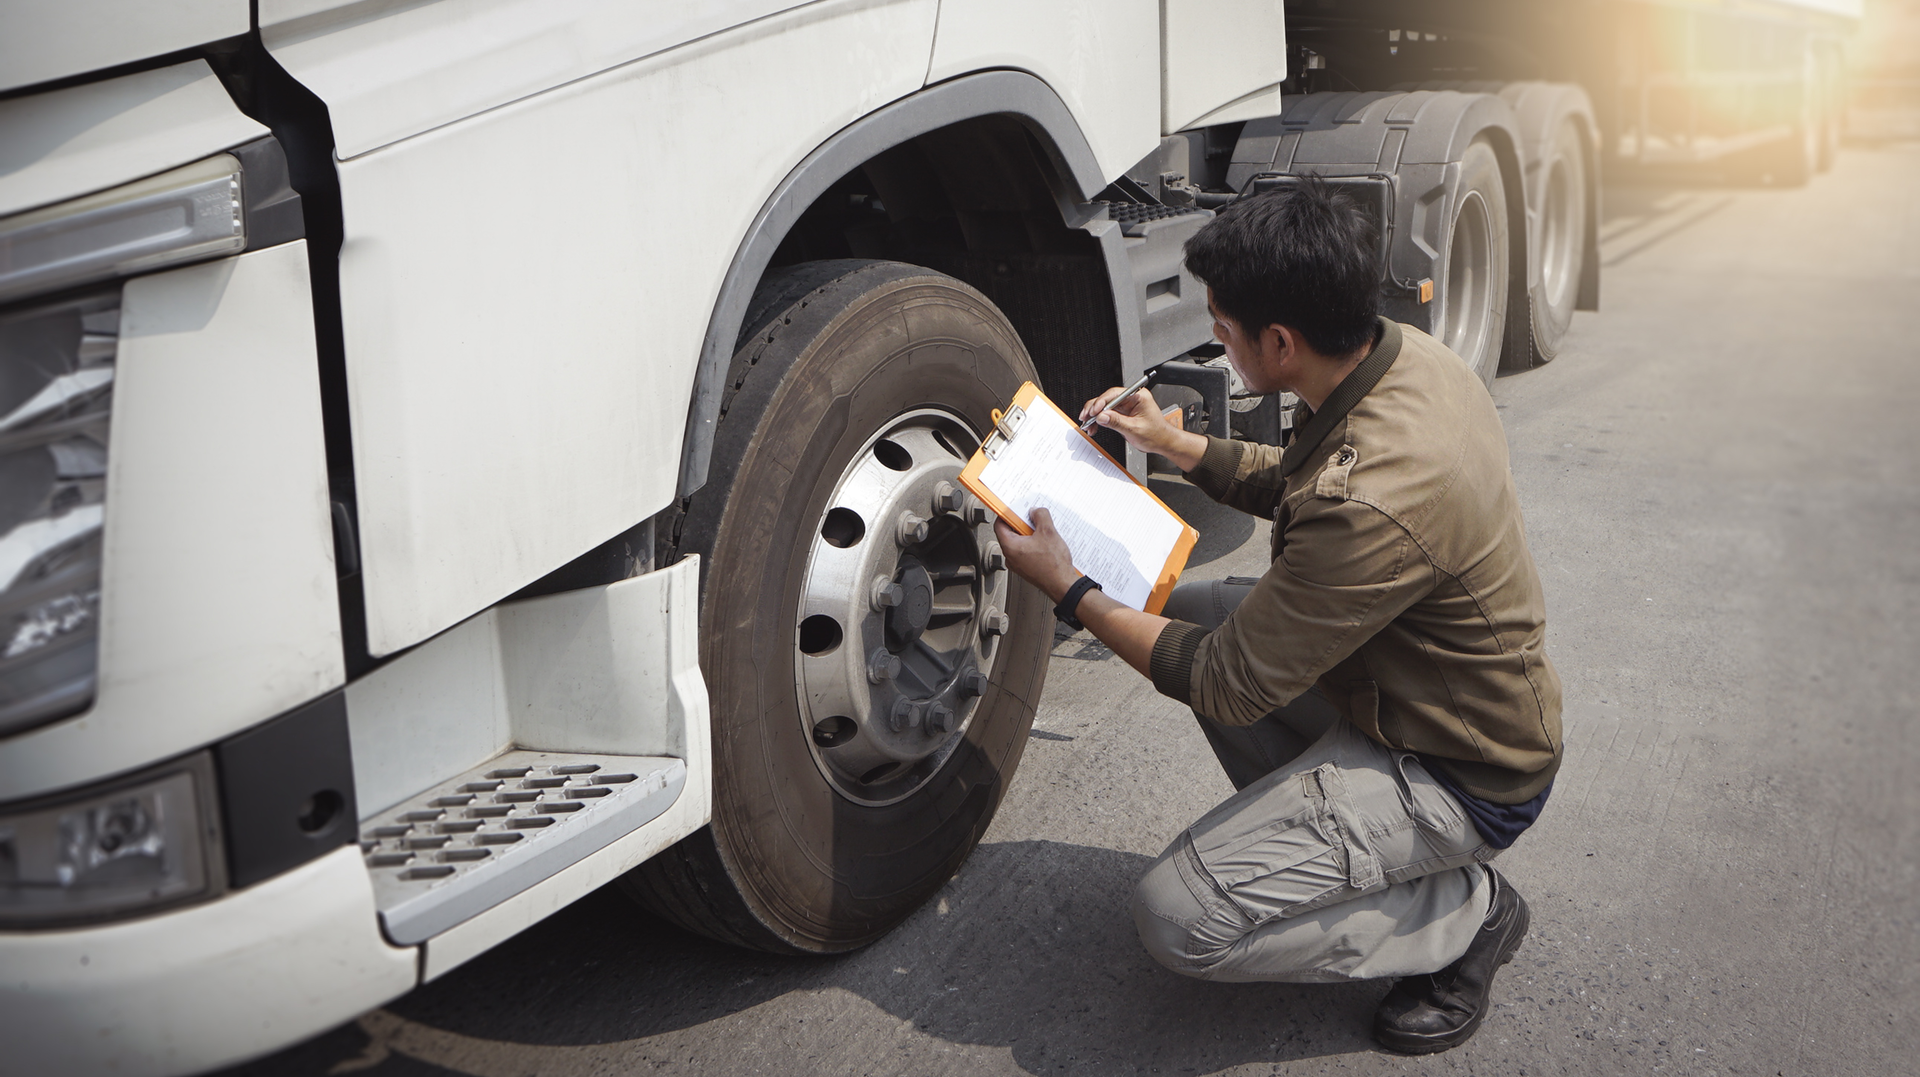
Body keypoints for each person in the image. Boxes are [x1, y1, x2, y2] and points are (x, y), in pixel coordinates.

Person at [993, 179, 1563, 1054]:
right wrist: (1177, 443)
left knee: (1177, 916)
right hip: (1411, 692)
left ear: (1282, 342)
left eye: (1222, 325)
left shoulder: (1376, 494)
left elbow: (1225, 681)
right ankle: (1329, 848)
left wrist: (1070, 587)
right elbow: (1302, 476)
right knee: (1191, 604)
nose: (1215, 336)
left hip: (1462, 773)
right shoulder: (1398, 358)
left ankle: (1464, 910)